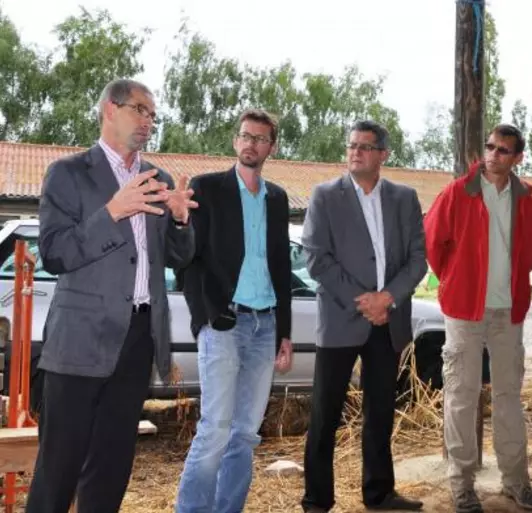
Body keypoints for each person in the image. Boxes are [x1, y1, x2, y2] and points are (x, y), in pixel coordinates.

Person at [25, 78, 196, 513]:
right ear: (109, 110)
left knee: (112, 465)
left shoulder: (158, 178)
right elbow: (55, 253)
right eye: (140, 109)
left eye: (152, 114)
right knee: (59, 466)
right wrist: (112, 212)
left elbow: (177, 258)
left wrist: (179, 221)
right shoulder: (68, 173)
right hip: (80, 338)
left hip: (138, 337)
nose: (148, 121)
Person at [300, 120, 427, 512]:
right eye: (351, 145)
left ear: (383, 155)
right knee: (325, 416)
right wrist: (364, 301)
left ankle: (379, 495)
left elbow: (417, 259)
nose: (355, 152)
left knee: (380, 413)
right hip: (341, 320)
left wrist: (386, 298)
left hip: (387, 324)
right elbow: (317, 259)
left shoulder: (404, 198)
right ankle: (317, 501)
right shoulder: (325, 196)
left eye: (365, 147)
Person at [175, 108, 294, 512]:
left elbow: (282, 266)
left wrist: (285, 333)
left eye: (260, 139)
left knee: (245, 434)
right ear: (234, 141)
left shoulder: (277, 199)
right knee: (215, 431)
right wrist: (205, 316)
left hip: (266, 324)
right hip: (223, 323)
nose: (250, 144)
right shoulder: (206, 189)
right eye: (245, 136)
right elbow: (186, 261)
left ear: (271, 148)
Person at [424, 124, 532, 512]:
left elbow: (528, 253)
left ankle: (516, 481)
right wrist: (457, 281)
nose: (493, 155)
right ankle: (461, 484)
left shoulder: (527, 200)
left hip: (508, 312)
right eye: (490, 147)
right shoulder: (458, 193)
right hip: (464, 311)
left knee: (509, 397)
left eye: (503, 150)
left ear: (517, 158)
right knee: (462, 396)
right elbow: (433, 243)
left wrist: (506, 288)